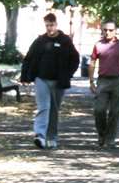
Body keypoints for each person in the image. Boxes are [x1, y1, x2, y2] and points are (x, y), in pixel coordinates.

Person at [19, 12, 80, 149]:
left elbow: (75, 59)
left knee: (54, 110)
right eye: (47, 26)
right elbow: (28, 58)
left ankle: (51, 137)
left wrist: (68, 74)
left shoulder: (65, 41)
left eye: (52, 25)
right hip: (42, 80)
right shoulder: (40, 41)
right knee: (44, 107)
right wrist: (25, 77)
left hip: (59, 82)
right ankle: (40, 135)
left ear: (56, 25)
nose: (49, 29)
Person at [88, 21, 119, 148]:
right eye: (105, 30)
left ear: (115, 31)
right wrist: (91, 81)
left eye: (111, 30)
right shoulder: (98, 45)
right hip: (102, 81)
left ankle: (110, 138)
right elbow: (92, 63)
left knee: (115, 111)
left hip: (117, 81)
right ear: (102, 30)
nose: (108, 32)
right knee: (99, 110)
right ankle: (102, 135)